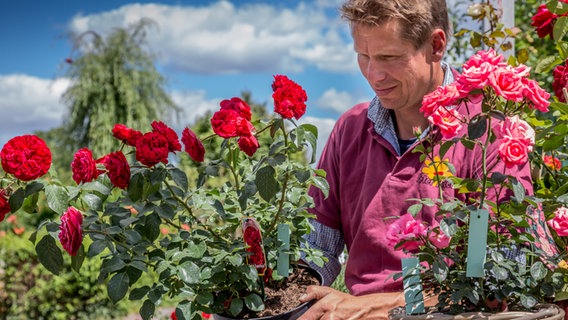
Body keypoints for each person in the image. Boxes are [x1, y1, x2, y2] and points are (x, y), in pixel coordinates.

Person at [297, 0, 535, 319]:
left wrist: (379, 306)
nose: (373, 74)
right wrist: (290, 292)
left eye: (389, 57)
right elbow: (316, 247)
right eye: (362, 56)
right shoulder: (349, 130)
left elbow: (504, 272)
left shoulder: (491, 133)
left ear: (435, 45)